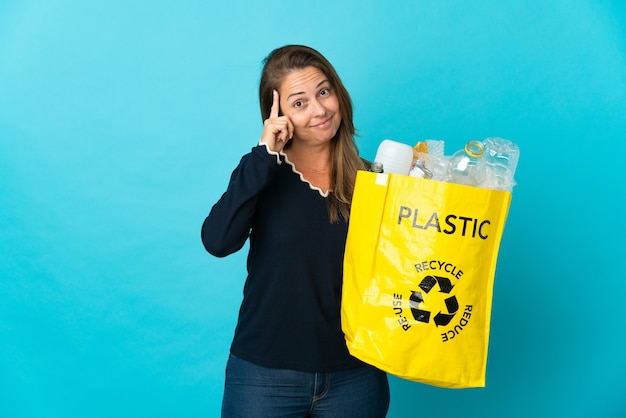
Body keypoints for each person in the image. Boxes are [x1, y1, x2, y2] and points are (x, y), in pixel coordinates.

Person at [201, 45, 390, 417]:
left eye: (323, 92)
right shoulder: (261, 173)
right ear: (277, 115)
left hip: (357, 376)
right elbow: (218, 241)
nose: (319, 110)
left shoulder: (374, 180)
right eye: (299, 103)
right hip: (264, 377)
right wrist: (263, 154)